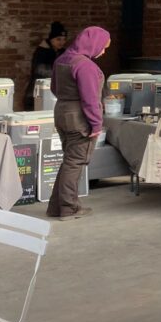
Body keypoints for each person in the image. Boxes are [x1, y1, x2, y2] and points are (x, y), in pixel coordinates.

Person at [48, 26, 110, 221]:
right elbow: (90, 99)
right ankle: (69, 208)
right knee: (75, 162)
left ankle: (56, 206)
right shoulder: (85, 66)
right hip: (79, 117)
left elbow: (54, 88)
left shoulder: (62, 60)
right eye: (103, 47)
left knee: (69, 160)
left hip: (62, 111)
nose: (103, 51)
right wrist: (96, 124)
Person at [22, 21, 68, 110]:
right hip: (36, 93)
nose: (62, 42)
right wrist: (60, 73)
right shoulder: (42, 51)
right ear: (51, 39)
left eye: (64, 39)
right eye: (58, 39)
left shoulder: (63, 52)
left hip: (53, 93)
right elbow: (39, 70)